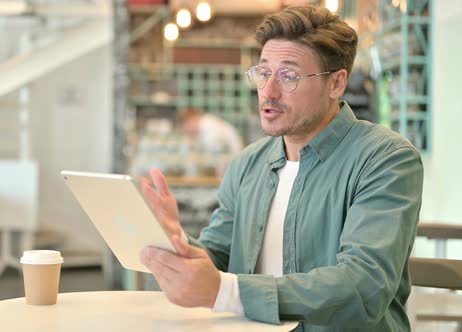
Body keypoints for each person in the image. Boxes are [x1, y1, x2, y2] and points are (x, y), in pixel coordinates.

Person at [139, 5, 423, 331]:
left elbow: (363, 286)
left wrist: (226, 291)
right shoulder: (248, 163)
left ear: (336, 83)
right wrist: (176, 241)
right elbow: (218, 254)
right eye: (262, 73)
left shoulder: (385, 159)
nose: (268, 92)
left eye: (289, 76)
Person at [177, 107, 244, 155]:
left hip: (233, 155)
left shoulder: (207, 124)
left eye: (187, 125)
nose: (186, 130)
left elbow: (213, 149)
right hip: (228, 156)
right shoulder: (204, 123)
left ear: (192, 119)